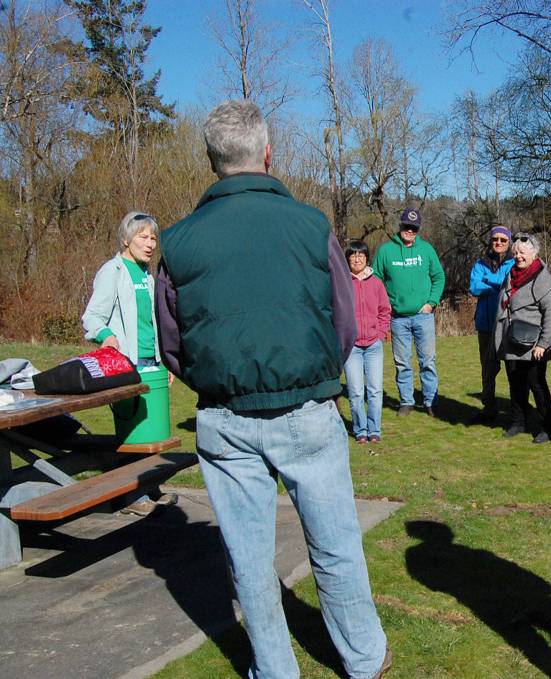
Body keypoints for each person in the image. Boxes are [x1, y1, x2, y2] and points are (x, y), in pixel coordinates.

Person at [155, 100, 390, 679]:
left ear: (213, 162)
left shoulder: (178, 243)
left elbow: (171, 344)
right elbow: (343, 322)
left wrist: (220, 380)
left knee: (250, 558)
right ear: (266, 153)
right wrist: (313, 374)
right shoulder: (311, 226)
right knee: (334, 544)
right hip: (305, 409)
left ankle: (276, 669)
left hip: (225, 416)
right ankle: (362, 658)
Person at [372, 208, 446, 417]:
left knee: (428, 361)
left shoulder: (427, 250)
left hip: (423, 316)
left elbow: (439, 277)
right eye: (406, 227)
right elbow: (376, 281)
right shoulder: (386, 251)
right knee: (402, 362)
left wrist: (431, 302)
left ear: (418, 230)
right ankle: (406, 401)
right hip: (398, 318)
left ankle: (431, 401)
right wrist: (386, 305)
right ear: (400, 226)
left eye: (413, 228)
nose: (409, 231)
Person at [493, 233, 551, 444]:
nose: (518, 256)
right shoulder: (511, 274)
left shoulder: (544, 280)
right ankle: (518, 422)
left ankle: (546, 426)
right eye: (516, 252)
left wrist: (543, 344)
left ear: (534, 253)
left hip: (534, 346)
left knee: (537, 386)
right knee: (515, 384)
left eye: (523, 252)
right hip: (512, 340)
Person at [83, 211, 162, 368]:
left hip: (154, 361)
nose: (150, 244)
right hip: (125, 361)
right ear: (126, 239)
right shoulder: (112, 271)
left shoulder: (149, 276)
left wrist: (164, 362)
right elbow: (92, 316)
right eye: (143, 237)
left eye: (153, 238)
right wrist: (107, 337)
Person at [344, 240, 391, 444]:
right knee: (355, 391)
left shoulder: (376, 283)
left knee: (375, 390)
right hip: (352, 347)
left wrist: (380, 332)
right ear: (347, 259)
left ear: (366, 258)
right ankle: (360, 429)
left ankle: (374, 430)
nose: (357, 258)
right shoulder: (343, 282)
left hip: (373, 345)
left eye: (360, 255)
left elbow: (385, 310)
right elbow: (336, 311)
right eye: (353, 255)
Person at [468, 226, 515, 420]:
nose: (498, 243)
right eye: (495, 239)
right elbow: (474, 287)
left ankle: (518, 410)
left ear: (509, 243)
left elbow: (512, 287)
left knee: (513, 369)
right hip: (486, 325)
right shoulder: (481, 263)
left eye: (503, 240)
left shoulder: (514, 262)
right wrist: (496, 285)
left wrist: (488, 282)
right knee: (488, 369)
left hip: (508, 324)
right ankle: (489, 408)